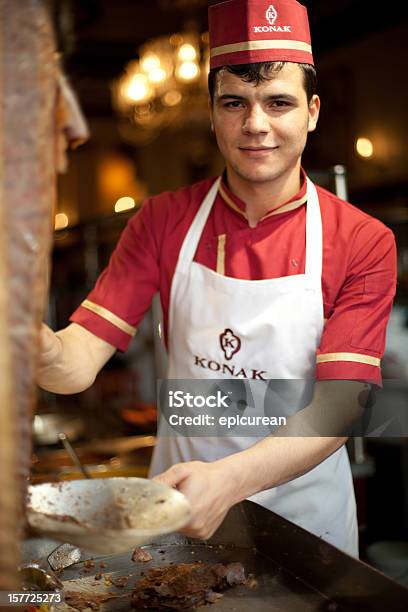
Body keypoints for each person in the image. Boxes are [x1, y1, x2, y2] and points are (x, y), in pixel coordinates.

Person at [37, 0, 396, 556]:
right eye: (235, 103)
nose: (256, 125)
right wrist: (31, 342)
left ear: (313, 111)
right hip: (175, 511)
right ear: (212, 113)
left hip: (306, 523)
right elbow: (75, 365)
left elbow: (340, 406)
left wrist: (228, 480)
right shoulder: (162, 220)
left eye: (279, 103)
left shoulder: (362, 239)